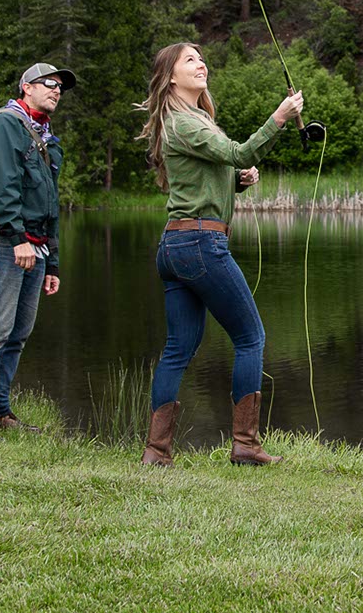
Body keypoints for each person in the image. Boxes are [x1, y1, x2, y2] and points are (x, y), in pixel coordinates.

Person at [137, 41, 303, 467]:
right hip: (199, 245)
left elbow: (210, 178)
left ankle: (157, 453)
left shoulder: (188, 121)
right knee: (251, 337)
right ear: (171, 77)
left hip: (176, 247)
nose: (201, 63)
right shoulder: (184, 122)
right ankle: (245, 445)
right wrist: (279, 119)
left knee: (178, 348)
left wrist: (236, 182)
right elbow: (239, 152)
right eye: (189, 59)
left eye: (201, 57)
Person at [0, 62, 73, 437]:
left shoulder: (46, 137)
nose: (56, 90)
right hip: (6, 243)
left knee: (18, 334)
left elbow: (50, 203)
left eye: (60, 87)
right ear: (26, 87)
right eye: (49, 84)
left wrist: (53, 263)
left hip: (36, 250)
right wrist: (17, 237)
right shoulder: (2, 124)